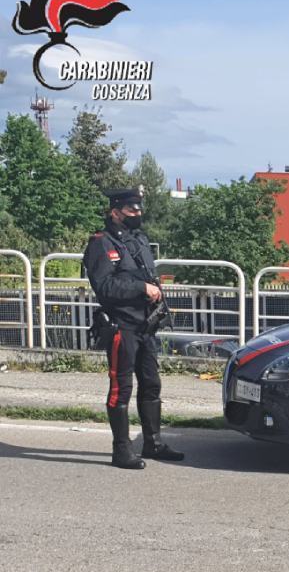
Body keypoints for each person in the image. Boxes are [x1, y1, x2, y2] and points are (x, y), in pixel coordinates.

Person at [83, 187, 184, 469]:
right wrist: (141, 287)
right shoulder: (100, 244)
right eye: (131, 210)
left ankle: (153, 443)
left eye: (139, 209)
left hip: (145, 325)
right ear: (115, 212)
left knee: (152, 385)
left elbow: (147, 274)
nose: (137, 214)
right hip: (120, 326)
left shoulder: (138, 239)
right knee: (121, 388)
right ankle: (121, 450)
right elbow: (104, 286)